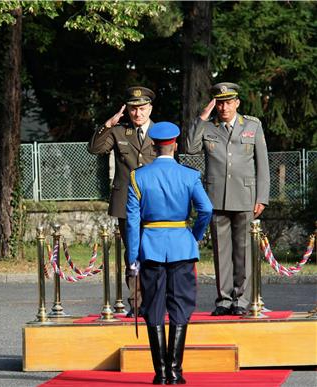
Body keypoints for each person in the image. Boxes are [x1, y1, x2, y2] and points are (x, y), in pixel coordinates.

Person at [126, 122, 213, 385]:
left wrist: (133, 258)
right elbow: (206, 209)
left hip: (150, 248)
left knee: (153, 307)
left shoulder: (138, 177)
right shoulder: (189, 175)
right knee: (180, 305)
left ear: (153, 146)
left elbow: (132, 222)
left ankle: (160, 373)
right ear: (175, 146)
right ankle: (175, 371)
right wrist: (193, 236)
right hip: (181, 247)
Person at [185, 82, 270, 316]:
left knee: (243, 251)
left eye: (228, 102)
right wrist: (202, 117)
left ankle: (242, 299)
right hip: (216, 198)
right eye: (220, 103)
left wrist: (262, 196)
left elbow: (263, 164)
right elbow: (190, 148)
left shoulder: (252, 126)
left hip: (245, 196)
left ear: (237, 103)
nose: (224, 107)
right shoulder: (209, 127)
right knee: (221, 251)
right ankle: (223, 299)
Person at [88, 86, 157, 316]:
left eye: (142, 108)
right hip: (126, 202)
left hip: (153, 203)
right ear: (127, 110)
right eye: (133, 109)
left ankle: (154, 300)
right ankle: (136, 302)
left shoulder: (160, 132)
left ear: (150, 108)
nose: (137, 113)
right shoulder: (119, 132)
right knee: (132, 253)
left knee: (153, 253)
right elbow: (95, 148)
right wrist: (108, 125)